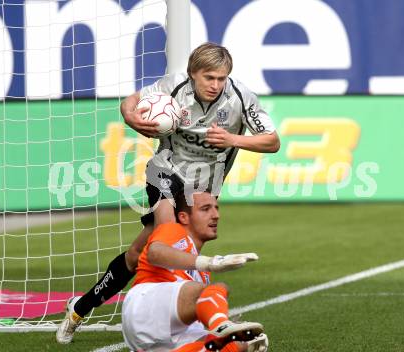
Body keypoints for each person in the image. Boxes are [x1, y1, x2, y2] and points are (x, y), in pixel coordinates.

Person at [56, 42, 280, 344]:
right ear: (192, 75)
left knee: (138, 256)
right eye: (208, 78)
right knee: (167, 233)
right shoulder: (173, 87)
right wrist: (129, 116)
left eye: (221, 78)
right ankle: (199, 319)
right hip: (167, 171)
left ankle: (80, 308)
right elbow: (132, 101)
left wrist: (232, 138)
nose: (215, 85)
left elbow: (272, 140)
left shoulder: (240, 97)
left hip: (205, 187)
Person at [122, 191, 268, 351]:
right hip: (144, 305)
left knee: (235, 346)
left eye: (216, 208)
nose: (216, 215)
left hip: (165, 330)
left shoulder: (202, 274)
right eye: (206, 209)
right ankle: (221, 325)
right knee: (219, 289)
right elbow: (155, 253)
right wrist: (209, 262)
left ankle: (223, 334)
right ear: (184, 217)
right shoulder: (174, 231)